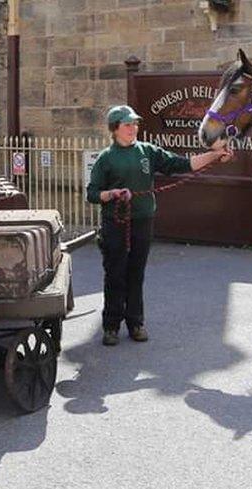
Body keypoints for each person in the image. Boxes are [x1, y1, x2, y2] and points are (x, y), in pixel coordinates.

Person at [86, 105, 232, 346]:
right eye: (127, 124)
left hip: (142, 220)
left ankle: (136, 323)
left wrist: (215, 155)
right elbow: (92, 194)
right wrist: (110, 194)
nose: (133, 128)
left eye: (135, 124)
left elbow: (183, 164)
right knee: (115, 274)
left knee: (136, 273)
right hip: (115, 223)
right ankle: (111, 326)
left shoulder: (148, 152)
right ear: (115, 129)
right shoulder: (106, 158)